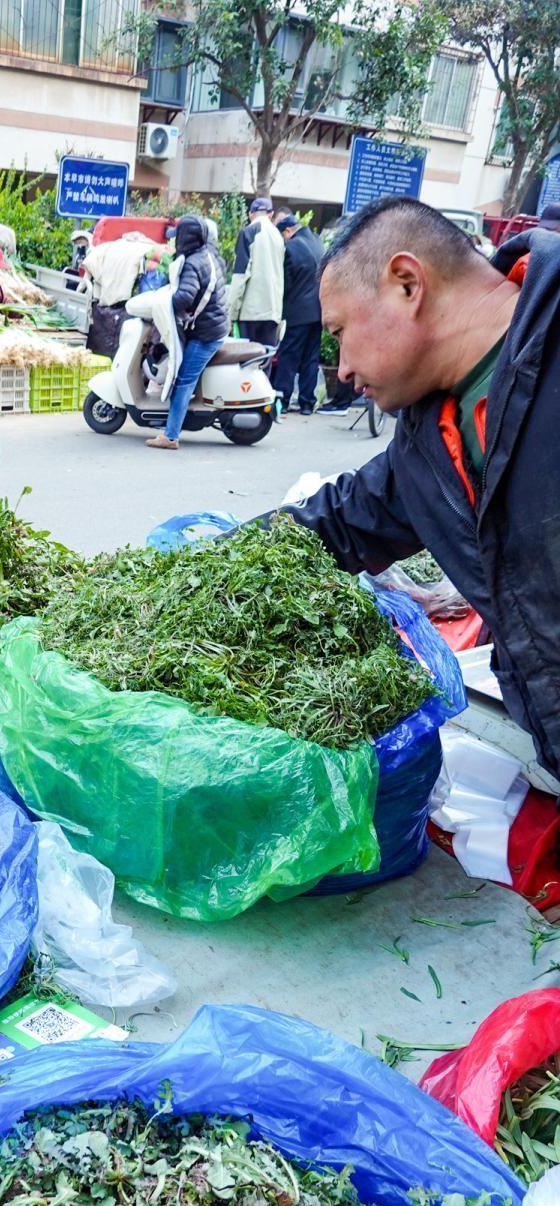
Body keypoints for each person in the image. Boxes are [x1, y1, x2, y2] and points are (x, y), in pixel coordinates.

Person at [281, 194, 560, 779]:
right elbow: (345, 519)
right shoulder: (428, 437)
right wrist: (198, 569)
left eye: (340, 332)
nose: (343, 367)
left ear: (407, 283)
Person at [146, 215, 228, 452]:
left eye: (177, 237)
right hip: (212, 325)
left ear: (186, 238)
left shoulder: (193, 262)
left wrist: (161, 302)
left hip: (207, 333)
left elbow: (184, 297)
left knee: (183, 380)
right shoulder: (206, 254)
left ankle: (171, 435)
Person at [274, 212, 324, 415]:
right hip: (318, 311)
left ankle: (283, 399)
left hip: (297, 313)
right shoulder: (317, 242)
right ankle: (306, 403)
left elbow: (286, 283)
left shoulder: (291, 247)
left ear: (287, 231)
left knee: (289, 356)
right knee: (311, 358)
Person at [227, 196, 285, 343]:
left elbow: (240, 275)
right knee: (265, 360)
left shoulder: (248, 232)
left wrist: (231, 313)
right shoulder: (278, 236)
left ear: (250, 214)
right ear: (271, 214)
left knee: (249, 362)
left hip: (251, 312)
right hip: (273, 311)